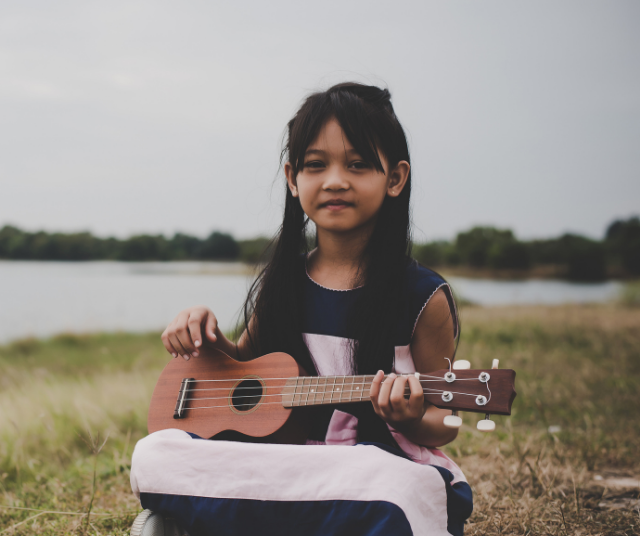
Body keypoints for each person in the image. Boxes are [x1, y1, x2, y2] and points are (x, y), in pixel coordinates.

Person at [129, 82, 472, 536]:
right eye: (316, 165)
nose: (334, 180)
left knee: (392, 487)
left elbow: (444, 420)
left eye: (358, 164)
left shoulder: (421, 296)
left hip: (368, 472)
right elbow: (244, 373)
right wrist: (203, 333)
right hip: (287, 465)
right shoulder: (284, 281)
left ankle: (211, 521)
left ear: (394, 179)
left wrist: (410, 416)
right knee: (156, 453)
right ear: (293, 179)